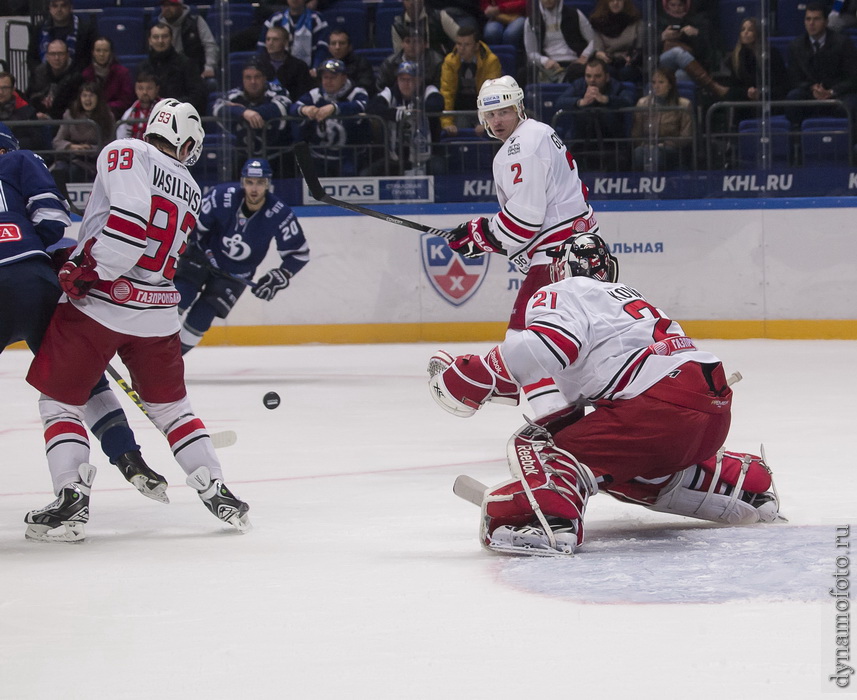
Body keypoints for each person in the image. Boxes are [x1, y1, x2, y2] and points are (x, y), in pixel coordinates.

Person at [427, 232, 783, 556]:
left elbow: (551, 345)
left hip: (657, 408)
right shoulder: (628, 298)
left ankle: (548, 518)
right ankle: (739, 484)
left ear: (562, 269)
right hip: (712, 411)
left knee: (539, 445)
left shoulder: (563, 291)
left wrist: (470, 377)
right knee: (619, 467)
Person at [25, 98, 250, 542]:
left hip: (102, 303)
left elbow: (127, 231)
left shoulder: (125, 150)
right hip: (159, 313)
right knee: (172, 409)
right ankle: (216, 487)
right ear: (186, 142)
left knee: (60, 403)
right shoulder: (189, 183)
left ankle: (71, 497)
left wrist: (83, 270)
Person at [0, 123, 168, 511]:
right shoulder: (20, 160)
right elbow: (50, 217)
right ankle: (127, 455)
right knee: (82, 379)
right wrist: (48, 254)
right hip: (32, 281)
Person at [441, 76, 599, 418]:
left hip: (558, 257)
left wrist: (479, 234)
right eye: (491, 114)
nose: (498, 121)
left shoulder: (519, 146)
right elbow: (533, 224)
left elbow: (525, 220)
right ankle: (581, 412)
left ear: (519, 108)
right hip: (578, 251)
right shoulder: (538, 133)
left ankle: (554, 420)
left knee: (522, 343)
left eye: (504, 111)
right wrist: (482, 238)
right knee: (566, 339)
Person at [174, 158, 310, 354]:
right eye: (250, 182)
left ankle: (172, 362)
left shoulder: (279, 213)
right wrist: (184, 246)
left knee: (201, 319)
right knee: (178, 300)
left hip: (235, 274)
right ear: (242, 182)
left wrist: (283, 275)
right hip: (202, 258)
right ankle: (151, 353)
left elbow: (299, 253)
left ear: (268, 184)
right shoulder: (222, 196)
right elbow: (194, 229)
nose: (254, 188)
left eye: (260, 182)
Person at [289, 58, 370, 176]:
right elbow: (293, 107)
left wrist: (335, 108)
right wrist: (304, 109)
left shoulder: (356, 92)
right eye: (325, 77)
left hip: (350, 155)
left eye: (333, 77)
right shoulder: (315, 94)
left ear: (343, 77)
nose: (328, 81)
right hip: (318, 156)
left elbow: (362, 105)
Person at [365, 60, 445, 175]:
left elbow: (437, 104)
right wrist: (396, 114)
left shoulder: (429, 90)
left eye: (411, 79)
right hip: (395, 157)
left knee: (438, 167)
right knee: (367, 173)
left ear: (420, 80)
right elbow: (372, 107)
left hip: (426, 157)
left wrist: (416, 111)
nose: (406, 84)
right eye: (402, 79)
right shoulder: (390, 92)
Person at [785, 2, 857, 126]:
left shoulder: (843, 43)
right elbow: (794, 78)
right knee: (793, 98)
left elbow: (852, 78)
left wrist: (831, 92)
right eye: (808, 19)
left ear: (826, 22)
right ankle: (796, 141)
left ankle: (850, 142)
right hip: (810, 93)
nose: (811, 23)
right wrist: (812, 88)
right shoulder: (796, 46)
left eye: (816, 19)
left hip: (838, 93)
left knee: (851, 105)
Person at [212, 58, 292, 163]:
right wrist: (244, 113)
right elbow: (217, 108)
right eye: (248, 77)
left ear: (264, 78)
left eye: (257, 77)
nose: (253, 82)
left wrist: (243, 111)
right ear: (243, 79)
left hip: (278, 156)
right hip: (244, 157)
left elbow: (280, 107)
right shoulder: (235, 94)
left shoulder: (278, 91)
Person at [555, 56, 637, 144]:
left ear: (607, 77)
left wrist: (606, 99)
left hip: (612, 139)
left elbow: (628, 100)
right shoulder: (579, 84)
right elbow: (560, 102)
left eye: (597, 76)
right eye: (588, 76)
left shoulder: (616, 86)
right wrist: (580, 102)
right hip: (581, 139)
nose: (592, 80)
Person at [439, 26, 501, 135]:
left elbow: (493, 94)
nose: (461, 49)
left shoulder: (490, 61)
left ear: (476, 46)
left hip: (482, 110)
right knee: (458, 131)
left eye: (467, 45)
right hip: (460, 110)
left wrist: (487, 122)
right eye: (458, 44)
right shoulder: (450, 61)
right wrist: (447, 123)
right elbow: (447, 93)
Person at [657, 0, 726, 98]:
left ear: (686, 6)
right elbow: (647, 46)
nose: (676, 9)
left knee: (680, 75)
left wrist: (697, 34)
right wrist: (662, 37)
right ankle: (712, 85)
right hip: (664, 62)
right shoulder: (658, 21)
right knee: (677, 52)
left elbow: (707, 52)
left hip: (688, 65)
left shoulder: (698, 21)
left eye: (680, 5)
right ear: (667, 5)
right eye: (673, 5)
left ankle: (682, 111)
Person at [51, 80, 115, 184]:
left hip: (93, 160)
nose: (87, 99)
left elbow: (110, 144)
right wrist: (72, 147)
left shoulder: (107, 116)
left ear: (98, 98)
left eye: (91, 96)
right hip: (71, 156)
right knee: (58, 170)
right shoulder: (70, 114)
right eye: (84, 95)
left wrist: (90, 149)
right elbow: (57, 141)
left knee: (75, 171)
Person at [631, 66, 693, 171]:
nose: (656, 86)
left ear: (670, 85)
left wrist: (664, 144)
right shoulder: (642, 103)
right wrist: (645, 144)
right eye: (654, 82)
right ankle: (640, 184)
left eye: (661, 82)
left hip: (674, 150)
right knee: (638, 153)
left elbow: (686, 137)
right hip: (648, 147)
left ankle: (658, 182)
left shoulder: (684, 104)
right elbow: (636, 134)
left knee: (656, 152)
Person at [136, 22, 207, 113]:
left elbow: (196, 95)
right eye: (156, 37)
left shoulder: (187, 64)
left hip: (180, 116)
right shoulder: (143, 67)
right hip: (149, 117)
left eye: (165, 36)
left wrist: (171, 107)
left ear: (171, 39)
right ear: (149, 40)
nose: (160, 41)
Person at [523, 0, 595, 83]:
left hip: (573, 62)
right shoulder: (531, 21)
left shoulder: (575, 14)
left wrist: (585, 55)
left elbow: (593, 40)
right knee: (525, 72)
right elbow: (531, 52)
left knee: (581, 71)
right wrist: (545, 61)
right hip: (548, 64)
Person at [155, 0, 219, 84]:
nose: (167, 8)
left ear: (181, 6)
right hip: (168, 74)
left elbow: (209, 45)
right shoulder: (158, 28)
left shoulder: (196, 22)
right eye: (164, 5)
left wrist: (209, 66)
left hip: (196, 73)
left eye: (171, 5)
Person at [27, 0, 98, 75]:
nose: (59, 10)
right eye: (55, 6)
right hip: (45, 79)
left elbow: (89, 58)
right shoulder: (39, 28)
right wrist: (40, 74)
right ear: (50, 8)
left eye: (63, 6)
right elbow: (32, 57)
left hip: (77, 78)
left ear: (70, 7)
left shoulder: (85, 29)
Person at [258, 0, 330, 70]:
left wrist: (315, 68)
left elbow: (322, 47)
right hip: (278, 70)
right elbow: (262, 45)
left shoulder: (316, 19)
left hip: (308, 72)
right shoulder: (275, 19)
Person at [26, 39, 84, 120]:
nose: (56, 58)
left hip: (66, 121)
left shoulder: (76, 76)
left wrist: (51, 117)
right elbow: (29, 97)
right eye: (52, 54)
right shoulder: (38, 72)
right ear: (47, 56)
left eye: (60, 54)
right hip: (38, 119)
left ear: (67, 55)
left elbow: (75, 105)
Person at [589, 0, 643, 84]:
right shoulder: (598, 22)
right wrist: (600, 55)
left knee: (627, 72)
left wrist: (633, 58)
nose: (615, 2)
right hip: (609, 61)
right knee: (607, 71)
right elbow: (598, 49)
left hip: (630, 62)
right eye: (611, 0)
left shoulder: (635, 20)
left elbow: (641, 47)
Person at [81, 37, 134, 121]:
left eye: (105, 50)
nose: (101, 54)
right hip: (90, 119)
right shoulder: (86, 74)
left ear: (111, 53)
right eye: (98, 50)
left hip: (116, 118)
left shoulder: (122, 73)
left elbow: (126, 101)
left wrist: (103, 107)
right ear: (93, 53)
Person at [258, 24, 315, 102]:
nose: (270, 43)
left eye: (275, 39)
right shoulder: (258, 65)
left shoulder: (299, 66)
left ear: (285, 42)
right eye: (268, 39)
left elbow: (303, 96)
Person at [377, 26, 444, 91]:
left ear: (425, 44)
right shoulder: (389, 64)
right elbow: (381, 89)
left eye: (416, 41)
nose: (412, 46)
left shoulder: (437, 63)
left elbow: (439, 90)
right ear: (402, 44)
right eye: (407, 41)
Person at [392, 0, 461, 55]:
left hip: (441, 67)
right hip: (411, 69)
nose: (412, 3)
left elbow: (463, 39)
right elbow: (398, 58)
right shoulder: (398, 26)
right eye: (408, 0)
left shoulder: (439, 17)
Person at [328, 28, 376, 98]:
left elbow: (366, 88)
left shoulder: (361, 63)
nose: (337, 47)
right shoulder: (325, 65)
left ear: (349, 46)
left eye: (342, 43)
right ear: (329, 47)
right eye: (333, 43)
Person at [116, 73, 160, 140]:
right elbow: (121, 137)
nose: (145, 92)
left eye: (149, 88)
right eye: (140, 88)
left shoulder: (165, 108)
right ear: (135, 90)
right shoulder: (130, 113)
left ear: (157, 89)